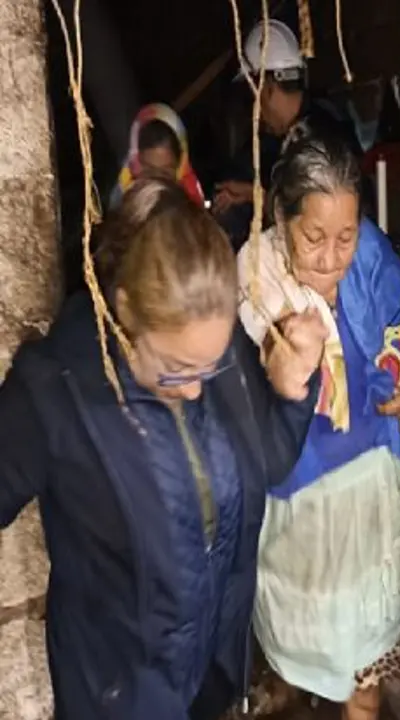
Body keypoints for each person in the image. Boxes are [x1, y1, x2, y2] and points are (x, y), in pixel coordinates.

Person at [0, 177, 324, 719]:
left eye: (210, 366)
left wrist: (291, 393)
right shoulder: (56, 394)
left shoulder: (214, 349)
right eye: (175, 372)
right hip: (121, 699)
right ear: (126, 311)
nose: (197, 389)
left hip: (210, 682)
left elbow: (266, 465)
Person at [237, 122, 400, 720]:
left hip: (368, 509)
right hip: (299, 517)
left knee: (365, 677)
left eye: (346, 237)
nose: (332, 258)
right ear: (281, 218)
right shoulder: (253, 281)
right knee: (301, 661)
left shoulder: (371, 255)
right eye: (314, 237)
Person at [214, 19, 366, 247]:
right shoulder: (323, 119)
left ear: (267, 89)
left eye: (253, 95)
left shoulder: (310, 140)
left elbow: (312, 219)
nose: (256, 109)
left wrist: (256, 196)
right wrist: (252, 194)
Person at [109, 103, 207, 209]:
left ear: (180, 165)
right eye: (149, 172)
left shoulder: (193, 204)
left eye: (165, 173)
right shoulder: (121, 200)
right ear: (136, 162)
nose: (157, 183)